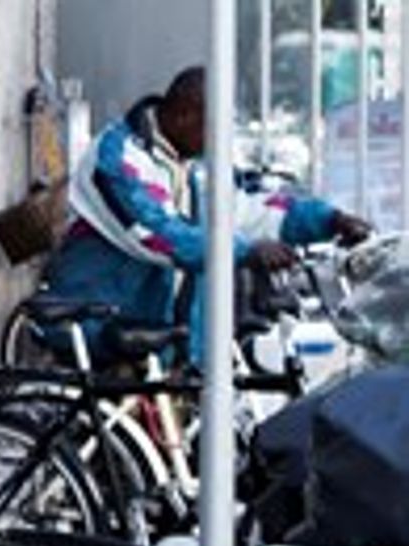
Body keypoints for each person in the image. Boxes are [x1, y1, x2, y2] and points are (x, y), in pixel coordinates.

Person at [43, 65, 371, 366]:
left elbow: (249, 207)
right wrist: (246, 251)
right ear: (185, 116)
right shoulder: (118, 157)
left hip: (168, 343)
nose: (218, 140)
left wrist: (330, 220)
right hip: (105, 323)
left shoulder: (196, 165)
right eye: (212, 127)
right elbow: (156, 234)